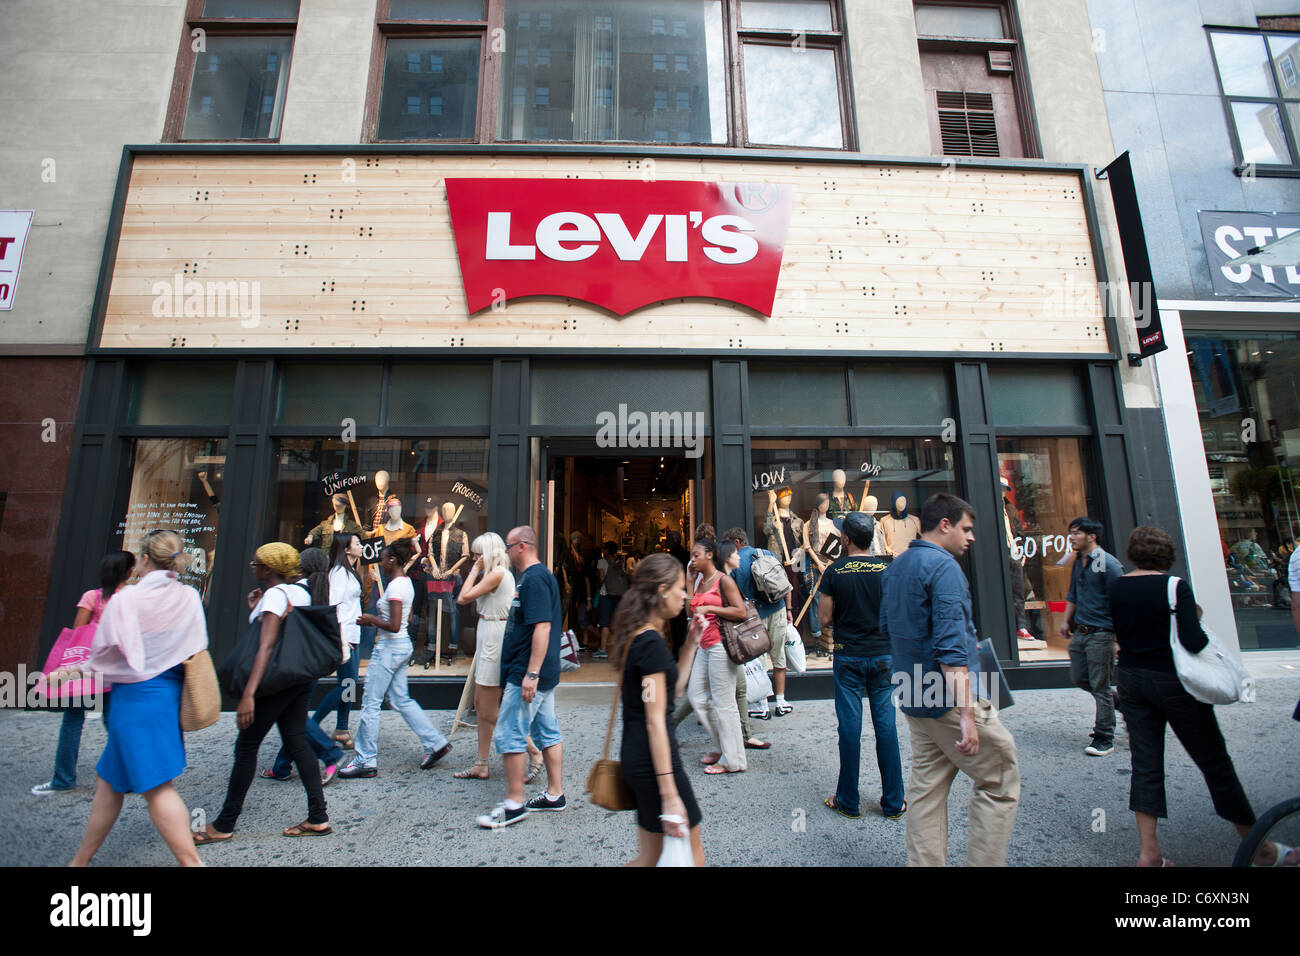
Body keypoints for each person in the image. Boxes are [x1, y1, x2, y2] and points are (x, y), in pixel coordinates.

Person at [1109, 525, 1287, 867]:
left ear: (1133, 553)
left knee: (1145, 766)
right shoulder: (1174, 586)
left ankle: (1149, 853)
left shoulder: (1117, 587)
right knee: (1214, 762)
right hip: (1174, 682)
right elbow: (1193, 641)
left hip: (1131, 679)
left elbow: (1120, 631)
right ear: (1167, 555)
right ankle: (1259, 849)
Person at [47, 530, 207, 866]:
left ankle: (193, 864)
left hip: (134, 696)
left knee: (157, 786)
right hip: (166, 693)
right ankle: (80, 860)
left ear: (144, 559)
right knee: (110, 780)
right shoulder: (189, 596)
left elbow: (104, 653)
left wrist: (71, 672)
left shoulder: (126, 600)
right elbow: (196, 646)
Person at [881, 494, 1020, 867]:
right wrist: (967, 715)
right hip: (947, 696)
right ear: (945, 525)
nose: (971, 537)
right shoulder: (944, 569)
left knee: (926, 791)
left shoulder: (895, 568)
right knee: (999, 780)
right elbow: (950, 648)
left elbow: (890, 630)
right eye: (966, 528)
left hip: (912, 692)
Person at [196, 543, 332, 843]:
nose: (252, 567)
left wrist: (249, 693)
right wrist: (256, 608)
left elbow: (266, 645)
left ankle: (224, 823)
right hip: (298, 679)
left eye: (256, 563)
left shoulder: (275, 595)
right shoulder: (300, 592)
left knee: (246, 748)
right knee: (297, 742)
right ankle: (318, 816)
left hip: (274, 682)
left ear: (268, 569)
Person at [613, 553, 705, 866]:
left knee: (651, 858)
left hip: (640, 756)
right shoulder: (650, 644)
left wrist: (691, 644)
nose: (686, 595)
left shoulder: (641, 636)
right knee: (692, 853)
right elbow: (655, 720)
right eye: (681, 588)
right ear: (662, 589)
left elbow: (672, 691)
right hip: (655, 763)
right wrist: (668, 792)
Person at [476, 526, 567, 828]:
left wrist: (531, 673)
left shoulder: (535, 579)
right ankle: (555, 794)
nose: (505, 551)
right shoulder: (532, 578)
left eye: (509, 545)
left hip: (528, 674)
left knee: (510, 734)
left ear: (522, 546)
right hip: (536, 672)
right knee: (547, 731)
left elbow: (542, 626)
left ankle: (514, 804)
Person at [338, 539, 452, 777]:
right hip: (401, 647)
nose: (381, 562)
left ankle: (365, 759)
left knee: (370, 702)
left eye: (384, 558)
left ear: (393, 560)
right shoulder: (405, 584)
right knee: (401, 700)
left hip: (389, 648)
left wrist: (372, 620)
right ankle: (436, 743)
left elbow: (394, 624)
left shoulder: (396, 588)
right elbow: (408, 619)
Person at [819, 512, 904, 821]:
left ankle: (848, 800)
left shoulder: (834, 571)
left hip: (848, 656)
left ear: (846, 539)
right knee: (887, 728)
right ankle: (894, 802)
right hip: (883, 656)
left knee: (850, 730)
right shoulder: (889, 569)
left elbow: (824, 619)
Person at [32, 550, 134, 796]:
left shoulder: (92, 596)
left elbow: (79, 632)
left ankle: (63, 779)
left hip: (85, 666)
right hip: (116, 666)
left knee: (73, 720)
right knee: (114, 720)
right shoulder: (131, 597)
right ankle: (130, 776)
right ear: (129, 572)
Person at [260, 548, 345, 783]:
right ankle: (282, 766)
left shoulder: (290, 592)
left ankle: (328, 753)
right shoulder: (319, 591)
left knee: (293, 717)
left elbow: (267, 625)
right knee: (292, 716)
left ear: (300, 567)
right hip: (310, 664)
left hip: (291, 664)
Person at [452, 532, 515, 780]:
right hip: (488, 633)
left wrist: (474, 569)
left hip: (494, 636)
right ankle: (481, 761)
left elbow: (463, 597)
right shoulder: (495, 574)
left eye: (479, 553)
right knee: (480, 704)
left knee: (488, 707)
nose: (475, 558)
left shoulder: (497, 574)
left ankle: (533, 748)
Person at [1060, 517, 1125, 757]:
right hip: (1081, 632)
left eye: (1077, 533)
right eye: (1071, 532)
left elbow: (1121, 602)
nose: (1072, 537)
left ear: (1092, 536)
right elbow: (1073, 594)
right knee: (1080, 678)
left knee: (1100, 685)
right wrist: (1067, 620)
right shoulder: (1079, 562)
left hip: (1102, 633)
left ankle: (1104, 737)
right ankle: (1121, 704)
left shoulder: (1109, 564)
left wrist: (1118, 639)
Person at [686, 539, 749, 774]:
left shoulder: (724, 581)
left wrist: (711, 609)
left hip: (721, 646)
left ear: (710, 555)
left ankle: (733, 761)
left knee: (725, 704)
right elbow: (690, 610)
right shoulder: (701, 581)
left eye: (696, 555)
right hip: (704, 646)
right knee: (696, 697)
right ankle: (724, 747)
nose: (692, 559)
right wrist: (690, 581)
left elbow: (740, 611)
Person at [723, 527, 793, 718]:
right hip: (778, 610)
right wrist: (788, 610)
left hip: (754, 618)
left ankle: (762, 705)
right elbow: (785, 584)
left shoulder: (735, 562)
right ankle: (781, 701)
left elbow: (733, 595)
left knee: (758, 661)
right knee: (779, 657)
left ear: (737, 542)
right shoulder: (766, 553)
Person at [310, 532, 367, 749]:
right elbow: (333, 606)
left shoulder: (351, 571)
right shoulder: (339, 573)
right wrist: (340, 638)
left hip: (353, 634)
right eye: (357, 544)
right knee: (348, 685)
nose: (361, 546)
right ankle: (311, 726)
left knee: (349, 684)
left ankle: (342, 728)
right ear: (346, 549)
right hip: (345, 636)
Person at [594, 540, 630, 660]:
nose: (602, 550)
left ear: (607, 550)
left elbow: (600, 579)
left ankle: (603, 650)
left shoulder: (601, 562)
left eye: (604, 548)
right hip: (619, 595)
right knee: (618, 621)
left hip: (606, 594)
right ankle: (621, 649)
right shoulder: (620, 562)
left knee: (605, 623)